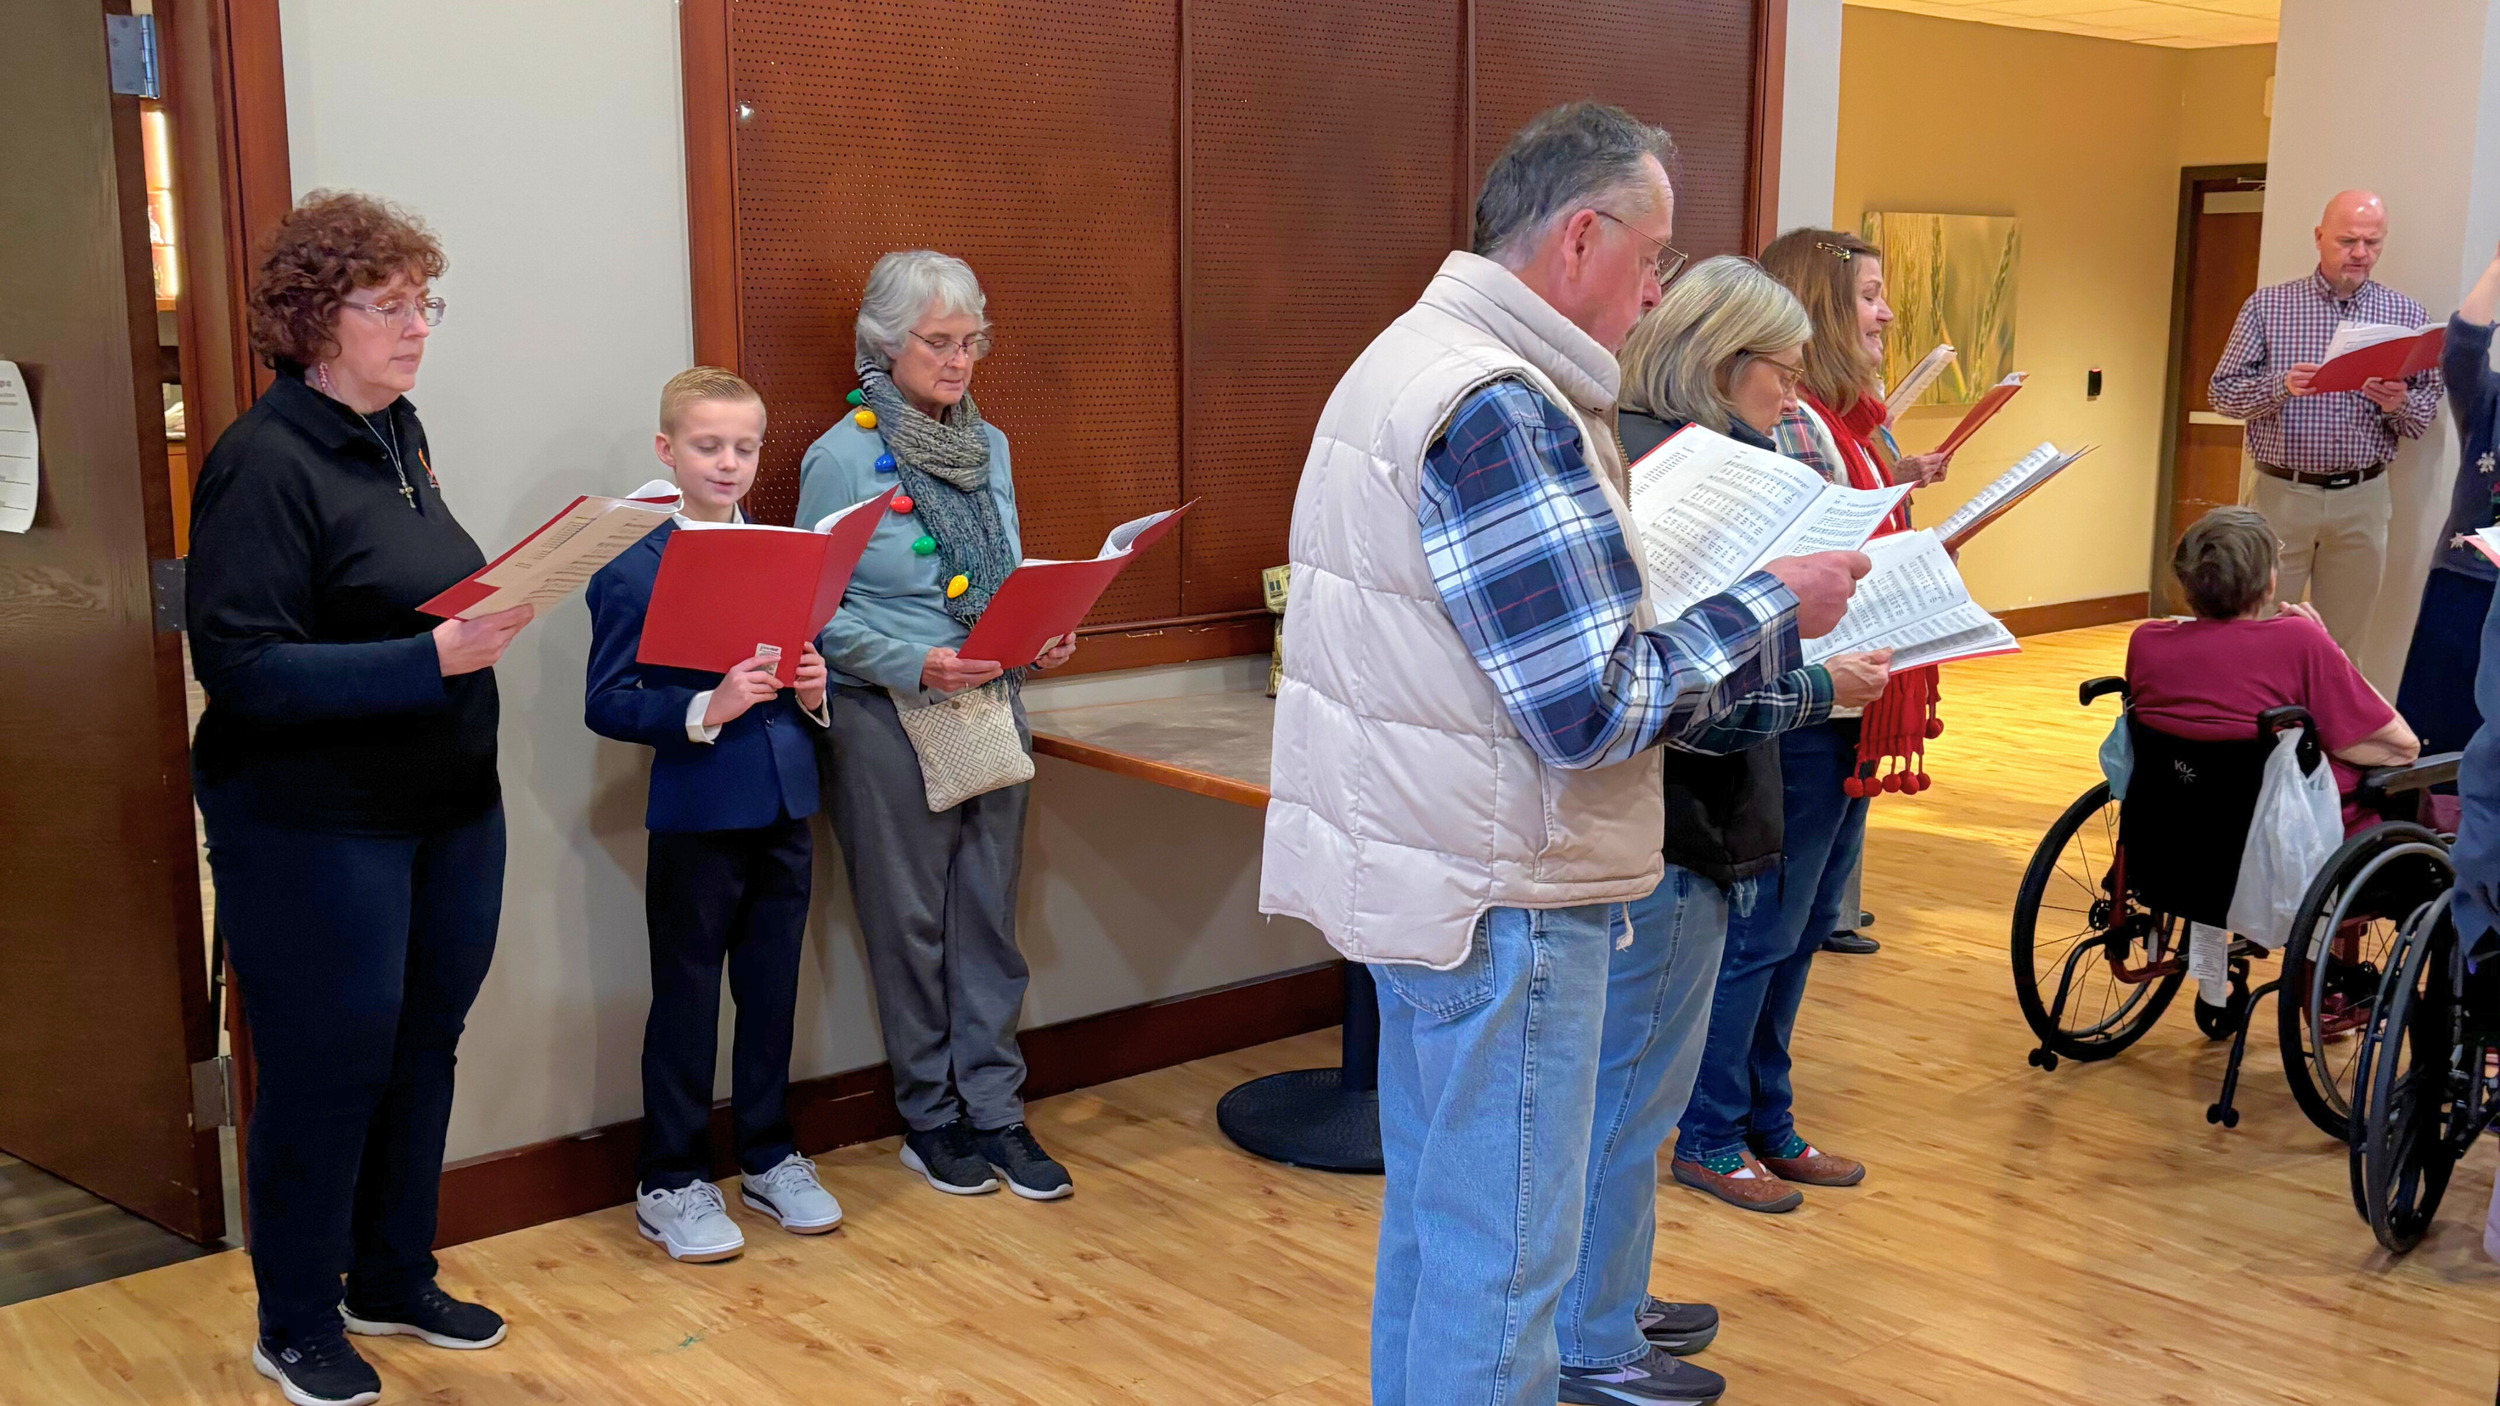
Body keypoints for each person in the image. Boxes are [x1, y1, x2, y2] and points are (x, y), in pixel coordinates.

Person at [1261, 103, 1865, 1406]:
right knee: (1503, 1271)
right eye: (1651, 254)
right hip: (1510, 890)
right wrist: (1779, 607)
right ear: (1579, 237)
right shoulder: (1498, 403)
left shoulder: (1412, 357)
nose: (1658, 289)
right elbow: (1592, 703)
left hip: (1442, 872)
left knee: (1443, 1237)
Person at [188, 191, 530, 1406]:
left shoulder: (400, 434)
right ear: (312, 321)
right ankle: (294, 1315)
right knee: (330, 1062)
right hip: (316, 823)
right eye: (384, 306)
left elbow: (396, 587)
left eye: (422, 303)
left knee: (420, 1046)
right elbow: (239, 667)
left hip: (448, 806)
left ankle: (390, 1271)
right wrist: (428, 660)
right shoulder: (261, 459)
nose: (414, 328)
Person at [1557, 256, 1892, 1397]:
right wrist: (1823, 689)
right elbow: (1687, 684)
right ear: (1722, 363)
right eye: (1782, 377)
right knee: (1630, 1091)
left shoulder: (1640, 443)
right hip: (1673, 820)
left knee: (1624, 1088)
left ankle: (1608, 1293)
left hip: (1662, 817)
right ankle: (1595, 1338)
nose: (1792, 402)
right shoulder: (1689, 468)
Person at [795, 250, 1081, 1204]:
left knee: (989, 925)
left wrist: (1039, 630)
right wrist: (912, 660)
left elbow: (1001, 567)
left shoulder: (988, 443)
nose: (960, 362)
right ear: (886, 342)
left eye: (972, 342)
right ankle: (932, 1120)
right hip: (891, 719)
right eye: (940, 342)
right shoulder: (840, 456)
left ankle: (998, 1113)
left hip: (992, 704)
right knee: (911, 928)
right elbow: (816, 617)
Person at [1666, 228, 1937, 1216]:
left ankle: (1767, 1118)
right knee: (1765, 931)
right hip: (1804, 698)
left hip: (1844, 693)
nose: (1883, 316)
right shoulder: (1801, 424)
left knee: (1803, 926)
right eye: (1868, 296)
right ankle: (1709, 1129)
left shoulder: (1848, 421)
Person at [585, 368, 846, 1264]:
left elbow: (801, 667)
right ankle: (671, 1178)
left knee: (773, 991)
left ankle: (770, 1156)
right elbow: (608, 701)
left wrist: (813, 690)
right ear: (667, 451)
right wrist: (708, 707)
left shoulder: (787, 550)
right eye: (707, 445)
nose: (728, 462)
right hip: (698, 809)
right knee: (688, 997)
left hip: (783, 799)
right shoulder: (633, 563)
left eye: (744, 447)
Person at [2209, 190, 2444, 655]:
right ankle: (2264, 728)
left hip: (2363, 497)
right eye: (2347, 241)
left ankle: (2332, 731)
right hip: (2283, 495)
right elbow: (2222, 394)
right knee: (2260, 633)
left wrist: (2397, 402)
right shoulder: (2268, 307)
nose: (2360, 254)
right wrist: (2280, 386)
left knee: (2343, 644)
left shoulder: (2405, 315)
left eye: (2373, 243)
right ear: (2319, 238)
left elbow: (2423, 417)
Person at [2129, 507, 2419, 828]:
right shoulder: (2299, 640)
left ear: (2185, 582)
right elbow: (2401, 748)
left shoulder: (2146, 642)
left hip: (2172, 824)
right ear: (2269, 582)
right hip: (2273, 838)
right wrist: (2331, 648)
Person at [2395, 241, 2500, 764]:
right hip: (2466, 582)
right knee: (2436, 733)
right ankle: (2430, 835)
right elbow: (2461, 349)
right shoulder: (2489, 400)